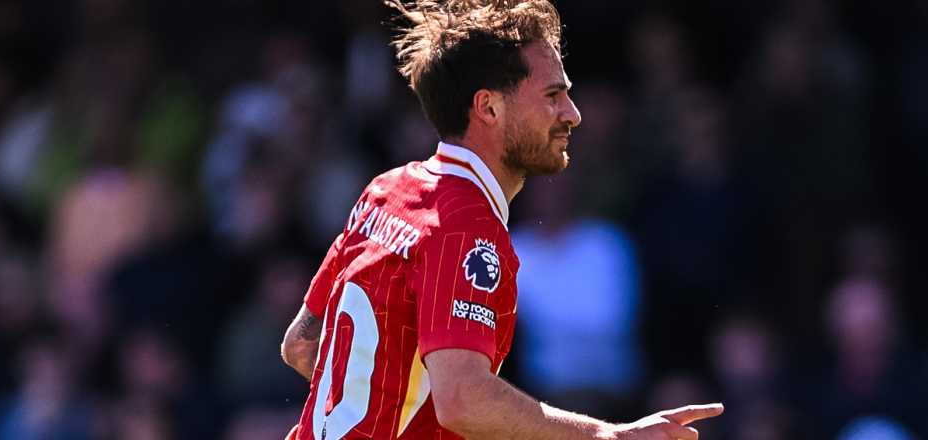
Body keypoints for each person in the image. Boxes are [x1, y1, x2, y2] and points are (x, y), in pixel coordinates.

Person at [280, 1, 723, 438]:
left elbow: (300, 344)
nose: (573, 113)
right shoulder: (466, 228)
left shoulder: (387, 191)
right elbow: (463, 400)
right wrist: (607, 437)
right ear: (488, 108)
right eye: (553, 95)